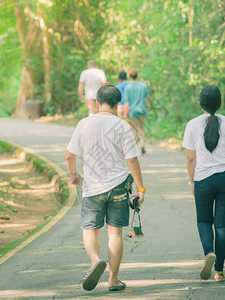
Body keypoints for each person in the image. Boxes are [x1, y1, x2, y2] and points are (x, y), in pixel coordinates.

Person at [66, 85, 146, 292]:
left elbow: (69, 155)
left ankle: (94, 261)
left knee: (90, 229)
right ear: (117, 104)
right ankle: (113, 279)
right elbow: (132, 160)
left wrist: (73, 174)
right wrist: (141, 188)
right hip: (118, 186)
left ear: (97, 102)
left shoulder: (84, 124)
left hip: (92, 187)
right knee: (115, 234)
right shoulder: (122, 126)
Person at [182, 85, 225, 282]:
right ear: (219, 103)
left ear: (201, 103)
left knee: (203, 221)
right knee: (221, 225)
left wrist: (192, 182)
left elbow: (190, 159)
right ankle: (219, 272)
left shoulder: (192, 125)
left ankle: (208, 252)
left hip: (203, 179)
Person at [122, 69, 149, 154]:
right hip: (142, 110)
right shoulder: (143, 86)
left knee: (133, 129)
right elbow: (146, 99)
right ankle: (142, 144)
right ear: (137, 76)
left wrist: (125, 114)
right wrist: (147, 108)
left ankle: (136, 147)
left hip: (132, 111)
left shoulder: (128, 88)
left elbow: (126, 103)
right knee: (141, 128)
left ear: (129, 76)